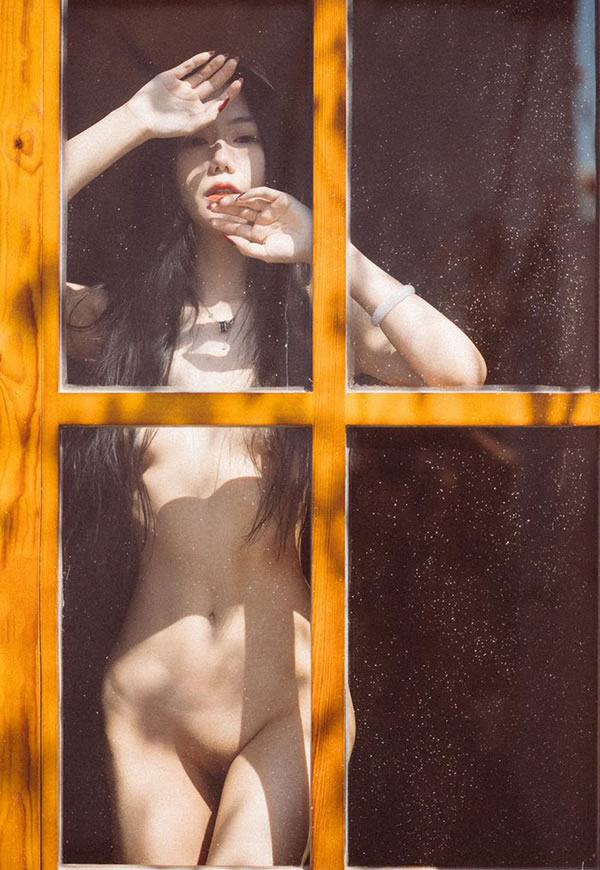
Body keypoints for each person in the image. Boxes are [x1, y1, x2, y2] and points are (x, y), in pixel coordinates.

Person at [62, 52, 486, 867]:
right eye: (195, 141)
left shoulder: (311, 326)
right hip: (152, 703)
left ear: (273, 161)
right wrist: (136, 120)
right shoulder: (121, 323)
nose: (220, 155)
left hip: (282, 706)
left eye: (244, 137)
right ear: (169, 171)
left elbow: (459, 372)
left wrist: (329, 250)